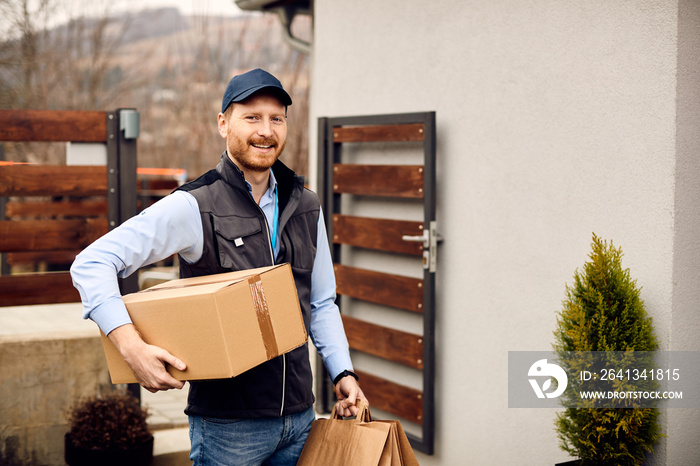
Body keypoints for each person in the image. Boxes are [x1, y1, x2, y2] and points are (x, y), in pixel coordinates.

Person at [70, 68, 366, 465]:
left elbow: (322, 303)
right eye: (252, 117)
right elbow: (92, 263)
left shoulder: (307, 205)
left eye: (276, 118)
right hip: (229, 428)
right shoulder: (195, 204)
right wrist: (131, 347)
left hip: (300, 419)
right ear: (224, 124)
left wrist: (343, 373)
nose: (266, 130)